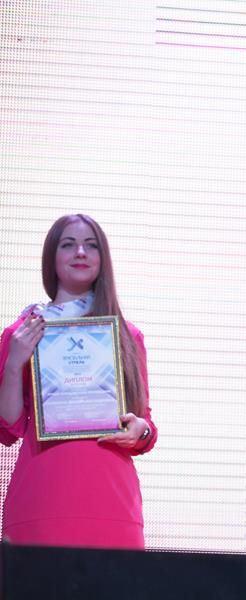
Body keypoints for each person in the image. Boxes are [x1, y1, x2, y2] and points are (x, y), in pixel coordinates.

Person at [0, 214, 157, 549]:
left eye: (91, 245)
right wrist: (14, 365)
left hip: (111, 501)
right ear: (51, 258)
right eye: (68, 245)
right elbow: (8, 428)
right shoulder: (22, 333)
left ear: (103, 258)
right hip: (41, 498)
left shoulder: (127, 336)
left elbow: (145, 425)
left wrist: (140, 429)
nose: (80, 253)